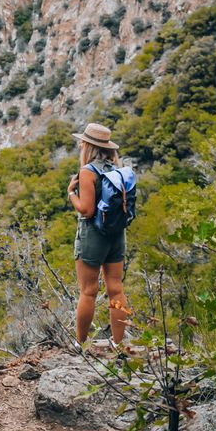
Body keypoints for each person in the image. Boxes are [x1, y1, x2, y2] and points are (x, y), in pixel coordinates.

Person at [67, 122, 130, 349]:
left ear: (87, 146)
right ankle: (119, 342)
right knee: (116, 287)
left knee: (88, 290)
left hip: (93, 235)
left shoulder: (88, 171)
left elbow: (86, 210)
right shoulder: (118, 170)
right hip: (116, 234)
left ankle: (80, 344)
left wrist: (70, 194)